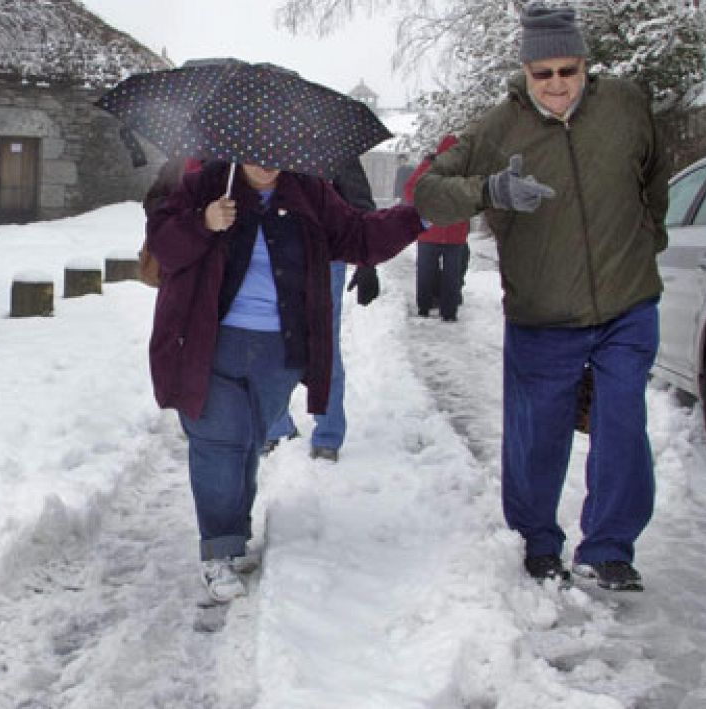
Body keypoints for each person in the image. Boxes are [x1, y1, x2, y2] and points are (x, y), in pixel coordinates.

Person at [411, 4, 670, 593]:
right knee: (539, 432)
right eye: (543, 73)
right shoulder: (496, 128)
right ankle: (537, 540)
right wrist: (490, 189)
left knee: (623, 422)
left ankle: (609, 547)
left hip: (628, 300)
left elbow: (655, 177)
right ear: (525, 73)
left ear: (585, 66)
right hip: (542, 310)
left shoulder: (626, 105)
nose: (556, 84)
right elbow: (426, 191)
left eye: (568, 71)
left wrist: (650, 236)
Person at [146, 160, 421, 603]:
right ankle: (219, 549)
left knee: (248, 441)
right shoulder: (204, 186)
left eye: (276, 151)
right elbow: (163, 246)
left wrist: (421, 213)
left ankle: (232, 531)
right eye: (256, 149)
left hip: (282, 350)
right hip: (209, 342)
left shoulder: (310, 193)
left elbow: (360, 237)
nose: (267, 160)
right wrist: (203, 222)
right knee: (218, 443)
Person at [263, 155, 378, 461]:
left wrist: (368, 262)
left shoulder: (327, 147)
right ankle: (277, 427)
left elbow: (358, 202)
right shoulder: (262, 145)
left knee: (322, 344)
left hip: (324, 259)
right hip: (271, 258)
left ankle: (325, 434)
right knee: (273, 340)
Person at [403, 135, 470, 322]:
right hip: (436, 232)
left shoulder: (463, 170)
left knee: (441, 273)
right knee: (445, 274)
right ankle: (440, 311)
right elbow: (410, 189)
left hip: (442, 233)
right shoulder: (431, 167)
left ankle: (435, 310)